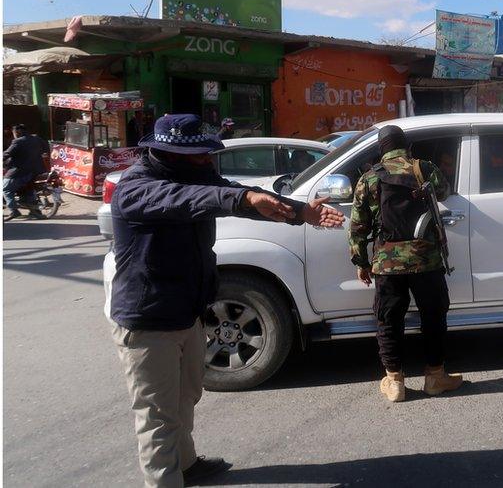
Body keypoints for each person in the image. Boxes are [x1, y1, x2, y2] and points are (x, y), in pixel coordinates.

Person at [108, 114, 345, 487]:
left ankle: (185, 464)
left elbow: (235, 193)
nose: (208, 161)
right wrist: (241, 196)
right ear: (168, 154)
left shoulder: (194, 176)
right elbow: (190, 199)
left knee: (186, 398)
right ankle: (164, 481)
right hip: (148, 321)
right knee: (157, 414)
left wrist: (301, 212)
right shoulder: (137, 189)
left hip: (187, 312)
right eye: (200, 155)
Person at [349, 125, 462, 403]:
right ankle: (435, 377)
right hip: (426, 259)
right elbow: (445, 192)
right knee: (433, 317)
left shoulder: (369, 178)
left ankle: (395, 381)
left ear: (381, 149)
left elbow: (358, 227)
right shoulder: (424, 168)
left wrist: (361, 262)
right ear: (407, 147)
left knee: (389, 320)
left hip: (387, 263)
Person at [3, 124, 50, 220]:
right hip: (36, 170)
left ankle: (13, 211)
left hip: (20, 171)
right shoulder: (36, 138)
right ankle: (35, 211)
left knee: (5, 189)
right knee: (28, 189)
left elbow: (7, 154)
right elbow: (46, 147)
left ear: (17, 133)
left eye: (14, 133)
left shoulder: (18, 142)